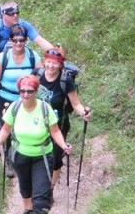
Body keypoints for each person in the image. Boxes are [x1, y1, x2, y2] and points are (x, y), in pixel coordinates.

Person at [0, 75, 73, 214]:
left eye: (29, 91)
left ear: (35, 92)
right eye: (22, 91)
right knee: (26, 188)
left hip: (43, 156)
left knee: (41, 198)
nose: (25, 94)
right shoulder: (15, 107)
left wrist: (64, 145)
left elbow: (55, 131)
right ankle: (28, 210)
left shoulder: (45, 108)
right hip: (20, 155)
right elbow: (6, 128)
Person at [0, 24, 44, 178]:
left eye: (21, 40)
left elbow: (41, 80)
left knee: (25, 129)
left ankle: (25, 158)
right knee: (7, 130)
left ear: (26, 40)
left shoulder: (34, 57)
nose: (18, 43)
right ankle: (9, 160)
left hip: (27, 101)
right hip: (6, 99)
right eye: (15, 40)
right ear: (10, 40)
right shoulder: (3, 58)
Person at [34, 46, 91, 190]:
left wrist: (84, 112)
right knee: (36, 157)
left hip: (59, 125)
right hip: (37, 123)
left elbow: (76, 103)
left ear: (60, 64)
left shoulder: (65, 80)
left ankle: (50, 188)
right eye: (48, 62)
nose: (50, 65)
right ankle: (38, 185)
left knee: (55, 159)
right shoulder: (36, 75)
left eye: (55, 63)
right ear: (44, 61)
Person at [0, 0, 53, 73]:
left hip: (20, 59)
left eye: (17, 12)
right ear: (3, 15)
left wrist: (55, 52)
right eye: (11, 14)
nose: (15, 15)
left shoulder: (24, 24)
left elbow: (40, 41)